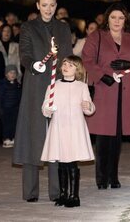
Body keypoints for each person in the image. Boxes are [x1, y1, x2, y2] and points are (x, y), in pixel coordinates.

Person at [13, 0, 73, 202]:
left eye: (52, 5)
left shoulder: (64, 28)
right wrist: (32, 64)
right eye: (44, 5)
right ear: (37, 6)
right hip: (36, 85)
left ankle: (56, 191)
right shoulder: (29, 27)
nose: (48, 9)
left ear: (56, 6)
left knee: (56, 136)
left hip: (58, 86)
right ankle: (30, 192)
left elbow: (68, 57)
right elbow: (25, 53)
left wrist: (69, 79)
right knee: (33, 134)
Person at [82, 2, 130, 190]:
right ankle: (102, 178)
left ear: (125, 19)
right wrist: (102, 76)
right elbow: (87, 59)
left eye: (120, 17)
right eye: (113, 17)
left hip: (125, 92)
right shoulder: (97, 36)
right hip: (105, 90)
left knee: (117, 137)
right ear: (107, 18)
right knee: (104, 136)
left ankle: (114, 176)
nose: (117, 21)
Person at [41, 55, 95, 208]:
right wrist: (48, 109)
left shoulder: (81, 86)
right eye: (64, 63)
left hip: (75, 128)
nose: (66, 67)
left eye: (71, 65)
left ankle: (74, 196)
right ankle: (63, 194)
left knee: (72, 162)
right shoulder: (53, 86)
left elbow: (90, 108)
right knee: (62, 163)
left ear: (77, 69)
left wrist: (88, 106)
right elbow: (45, 107)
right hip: (59, 126)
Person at [0, 65, 21, 148]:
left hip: (14, 108)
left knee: (14, 124)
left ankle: (12, 138)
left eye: (14, 73)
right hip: (5, 108)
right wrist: (0, 109)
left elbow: (18, 96)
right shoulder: (3, 84)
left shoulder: (17, 84)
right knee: (6, 124)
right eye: (11, 73)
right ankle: (6, 139)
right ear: (6, 74)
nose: (13, 74)